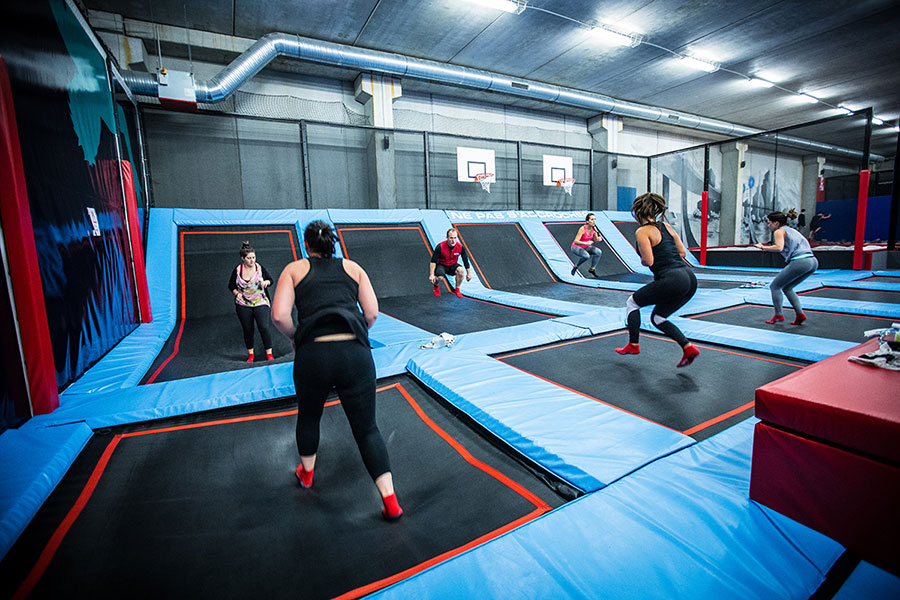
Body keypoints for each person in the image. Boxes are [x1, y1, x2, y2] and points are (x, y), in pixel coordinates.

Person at [271, 220, 402, 521]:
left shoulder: (294, 270)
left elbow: (279, 315)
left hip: (313, 355)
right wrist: (358, 331)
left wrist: (294, 336)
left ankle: (306, 475)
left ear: (306, 246)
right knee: (367, 428)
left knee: (309, 416)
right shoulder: (354, 268)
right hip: (353, 355)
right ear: (333, 244)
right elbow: (371, 312)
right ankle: (391, 500)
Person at [615, 193, 700, 368]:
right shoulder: (667, 227)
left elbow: (648, 261)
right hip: (689, 278)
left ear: (638, 212)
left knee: (632, 303)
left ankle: (633, 345)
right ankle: (687, 347)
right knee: (659, 317)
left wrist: (642, 254)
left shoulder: (642, 231)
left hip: (672, 278)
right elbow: (682, 253)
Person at [754, 211, 818, 325]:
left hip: (801, 261)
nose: (768, 226)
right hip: (812, 261)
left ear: (776, 223)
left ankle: (778, 315)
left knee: (775, 286)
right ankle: (800, 315)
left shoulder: (779, 231)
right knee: (787, 288)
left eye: (769, 223)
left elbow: (779, 247)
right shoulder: (792, 230)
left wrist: (762, 247)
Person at [228, 241, 274, 362]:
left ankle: (269, 354)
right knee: (248, 329)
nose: (252, 260)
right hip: (244, 304)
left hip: (260, 301)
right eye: (249, 258)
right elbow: (231, 285)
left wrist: (266, 282)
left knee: (264, 327)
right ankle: (251, 355)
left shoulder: (259, 268)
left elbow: (271, 280)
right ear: (243, 258)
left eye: (253, 257)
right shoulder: (238, 270)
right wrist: (237, 293)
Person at [429, 228, 472, 298]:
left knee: (461, 271)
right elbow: (433, 261)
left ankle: (457, 289)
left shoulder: (460, 247)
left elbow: (465, 261)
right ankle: (436, 285)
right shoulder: (440, 246)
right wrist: (431, 274)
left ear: (457, 238)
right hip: (441, 265)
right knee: (440, 278)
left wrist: (469, 273)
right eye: (451, 238)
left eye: (455, 238)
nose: (453, 240)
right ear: (447, 238)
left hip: (452, 265)